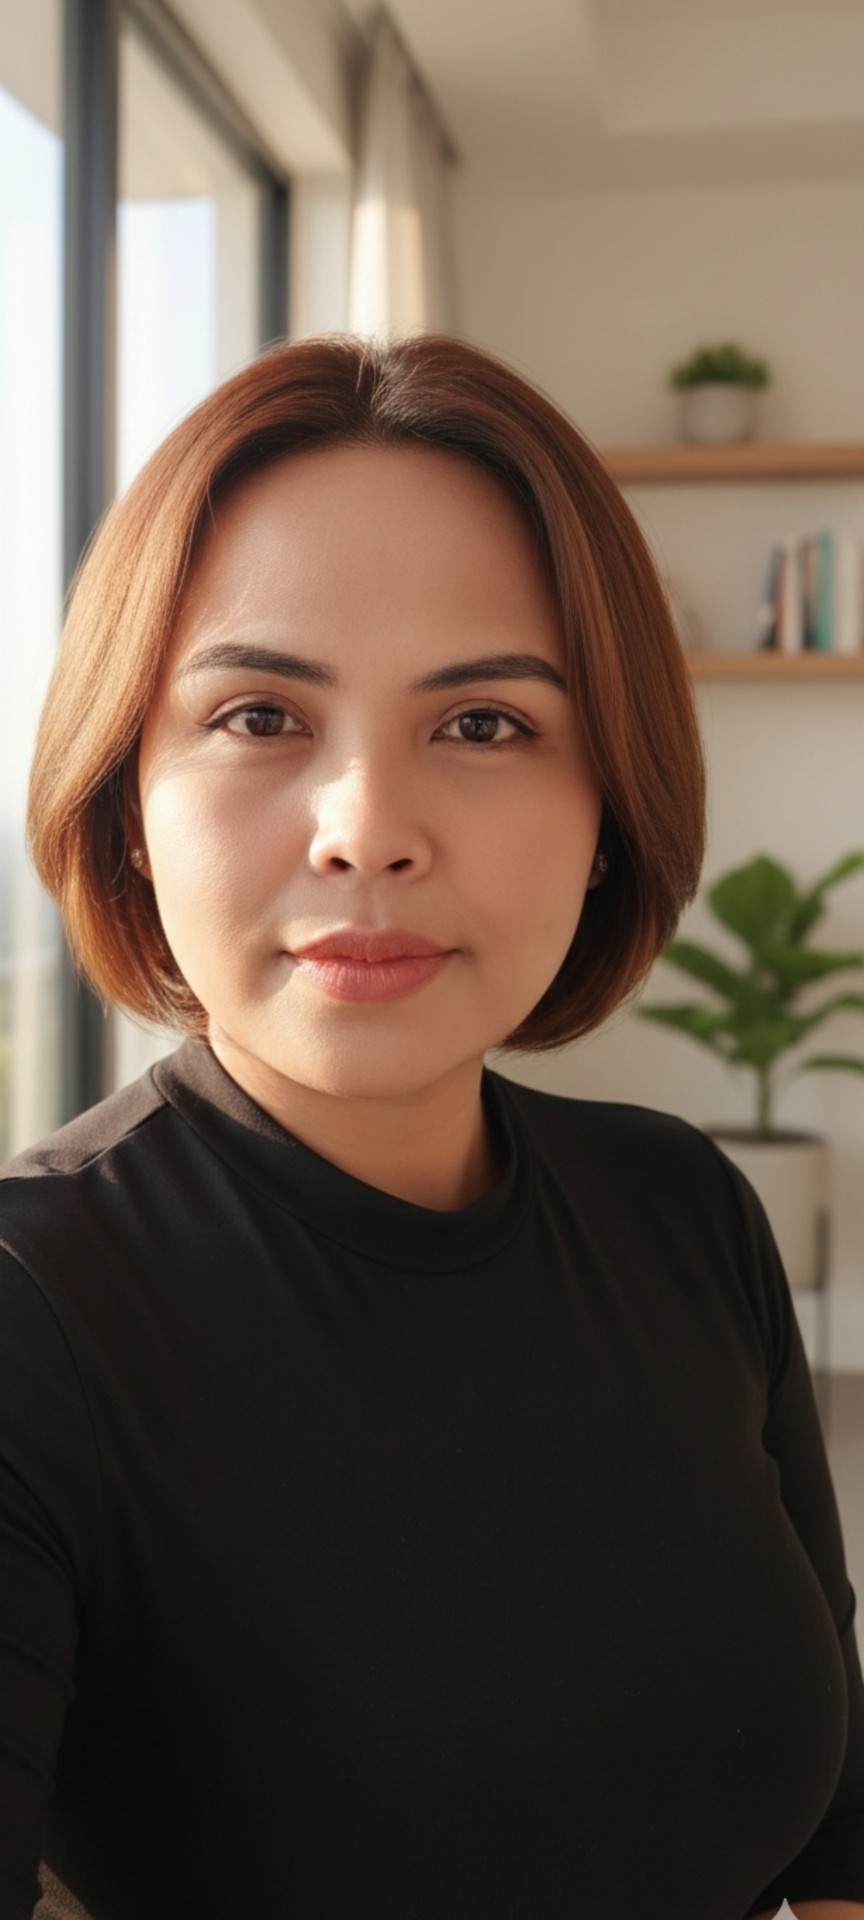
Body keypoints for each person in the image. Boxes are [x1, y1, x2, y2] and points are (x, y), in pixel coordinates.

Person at [1, 332, 862, 1920]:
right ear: (128, 804)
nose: (368, 833)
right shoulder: (31, 1312)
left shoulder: (687, 1211)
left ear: (607, 812)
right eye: (259, 715)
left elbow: (834, 1830)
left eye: (483, 725)